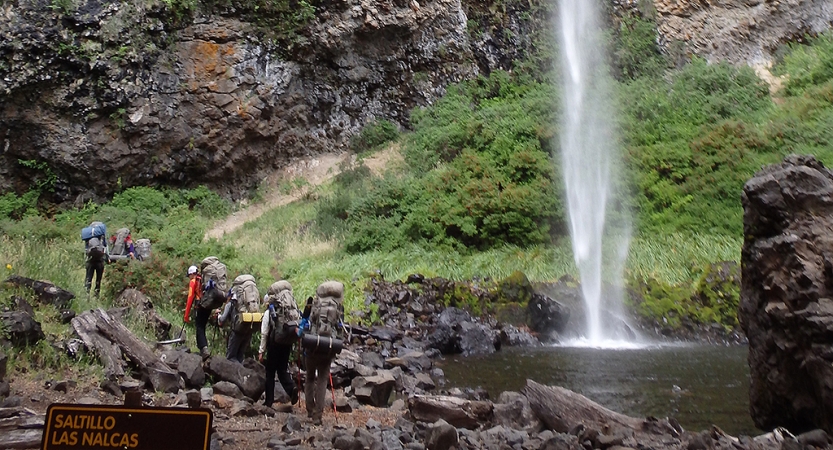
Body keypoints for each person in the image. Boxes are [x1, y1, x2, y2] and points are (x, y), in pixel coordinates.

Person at [303, 281, 344, 425]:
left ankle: (309, 409)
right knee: (322, 380)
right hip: (329, 348)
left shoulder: (314, 303)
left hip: (313, 345)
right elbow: (340, 329)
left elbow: (305, 320)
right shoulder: (338, 307)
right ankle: (318, 416)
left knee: (309, 378)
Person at [258, 281, 301, 407]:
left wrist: (261, 351)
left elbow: (264, 333)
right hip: (287, 341)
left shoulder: (269, 312)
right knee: (282, 369)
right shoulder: (288, 309)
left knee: (270, 372)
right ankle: (291, 388)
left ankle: (269, 401)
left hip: (274, 343)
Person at [183, 265, 211, 358]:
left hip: (200, 305)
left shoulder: (193, 281)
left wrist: (186, 315)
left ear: (191, 274)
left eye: (189, 275)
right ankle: (203, 349)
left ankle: (204, 348)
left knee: (199, 327)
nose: (189, 278)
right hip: (208, 306)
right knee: (202, 326)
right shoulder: (203, 280)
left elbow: (190, 298)